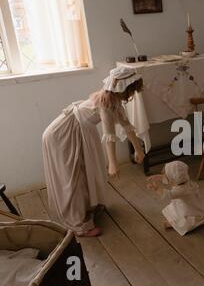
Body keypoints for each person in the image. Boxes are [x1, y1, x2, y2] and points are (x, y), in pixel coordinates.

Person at [42, 67, 146, 237]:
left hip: (78, 130)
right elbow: (109, 134)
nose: (132, 94)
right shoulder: (105, 103)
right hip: (63, 134)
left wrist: (138, 149)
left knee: (83, 171)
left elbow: (126, 125)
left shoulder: (114, 102)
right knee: (73, 175)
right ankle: (79, 224)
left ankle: (87, 207)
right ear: (122, 89)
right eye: (131, 90)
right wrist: (112, 163)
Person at [147, 161, 204, 236]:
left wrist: (156, 189)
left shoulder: (181, 190)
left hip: (192, 213)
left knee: (186, 224)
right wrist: (157, 177)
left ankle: (173, 224)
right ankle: (176, 219)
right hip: (192, 207)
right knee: (173, 208)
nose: (163, 175)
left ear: (173, 178)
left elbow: (167, 195)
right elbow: (169, 179)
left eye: (166, 175)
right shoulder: (185, 181)